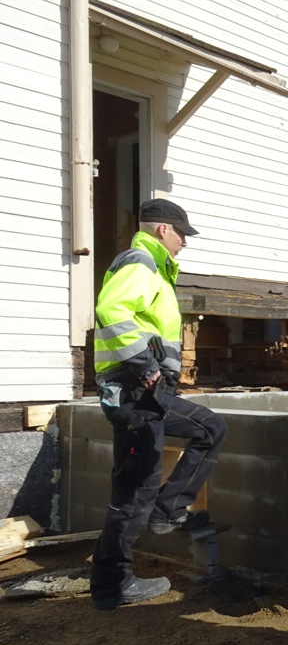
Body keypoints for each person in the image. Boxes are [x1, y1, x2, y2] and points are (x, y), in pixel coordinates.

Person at [90, 198, 228, 610]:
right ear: (163, 230)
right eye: (182, 234)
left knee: (208, 429)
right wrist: (145, 365)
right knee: (135, 491)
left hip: (146, 393)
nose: (185, 242)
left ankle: (167, 511)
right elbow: (111, 310)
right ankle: (114, 584)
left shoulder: (154, 269)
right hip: (135, 391)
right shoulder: (141, 263)